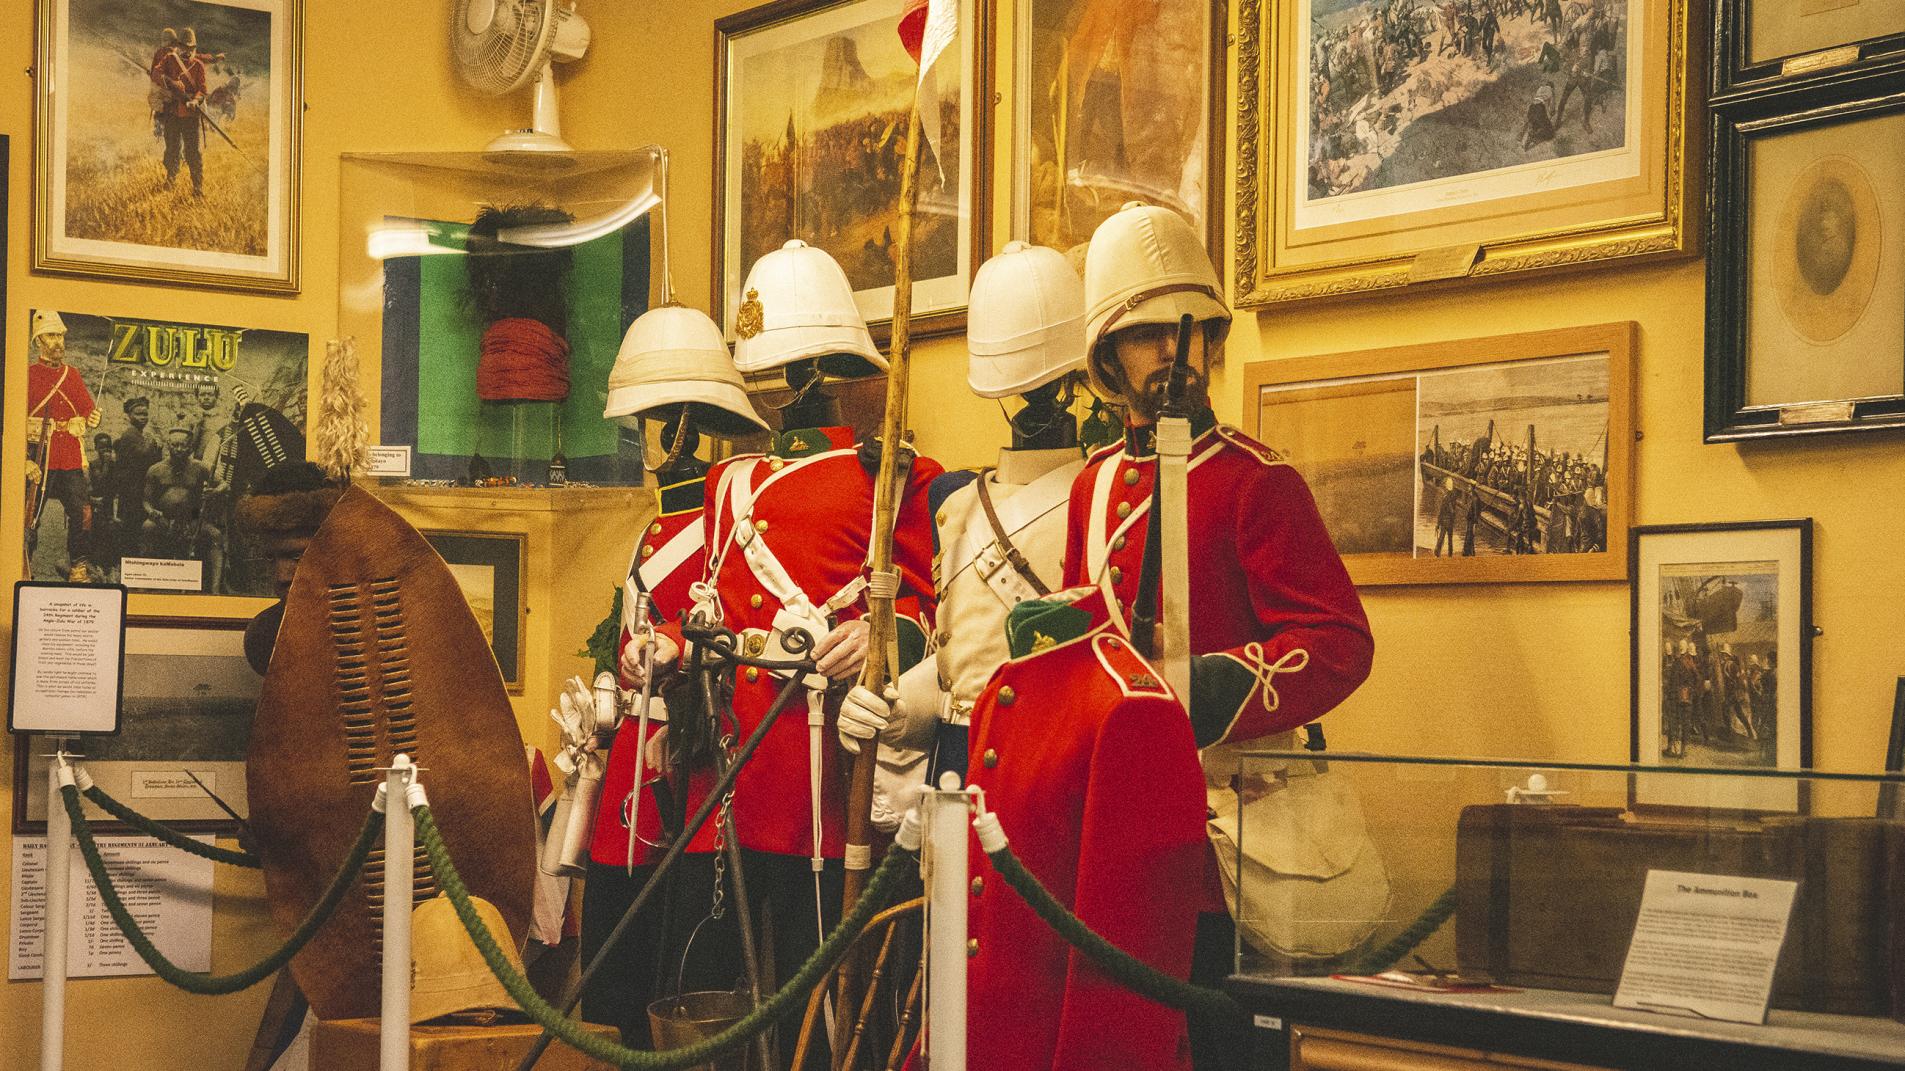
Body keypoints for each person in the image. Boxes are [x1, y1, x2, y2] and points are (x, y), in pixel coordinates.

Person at [1065, 201, 1374, 1071]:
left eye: (1191, 332)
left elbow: (1339, 638)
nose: (1174, 353)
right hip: (1121, 836)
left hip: (1230, 843)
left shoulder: (1255, 481)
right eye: (1149, 334)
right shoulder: (1090, 490)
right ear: (1106, 359)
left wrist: (1220, 683)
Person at [626, 240, 940, 1066]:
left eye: (802, 366)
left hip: (828, 758)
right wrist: (667, 642)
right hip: (740, 757)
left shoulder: (895, 476)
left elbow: (927, 603)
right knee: (734, 963)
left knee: (826, 960)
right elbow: (709, 596)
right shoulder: (732, 480)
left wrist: (881, 635)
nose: (793, 382)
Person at [581, 304, 768, 1046]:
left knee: (678, 955)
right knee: (620, 958)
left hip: (687, 757)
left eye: (669, 419)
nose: (661, 437)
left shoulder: (721, 524)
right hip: (637, 751)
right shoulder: (661, 521)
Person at [837, 241, 1090, 789]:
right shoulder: (956, 503)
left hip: (1052, 763)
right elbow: (961, 670)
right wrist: (899, 710)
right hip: (957, 765)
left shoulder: (1102, 494)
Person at [25, 311, 101, 578]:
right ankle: (22, 564)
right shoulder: (28, 375)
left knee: (83, 512)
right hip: (37, 455)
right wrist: (24, 460)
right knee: (29, 514)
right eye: (51, 336)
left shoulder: (72, 374)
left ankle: (78, 565)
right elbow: (12, 423)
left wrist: (93, 417)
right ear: (38, 342)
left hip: (68, 455)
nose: (58, 342)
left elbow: (87, 410)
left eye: (60, 335)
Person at [142, 427, 220, 570]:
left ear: (190, 448)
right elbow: (146, 501)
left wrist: (214, 491)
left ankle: (215, 589)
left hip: (193, 519)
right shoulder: (156, 469)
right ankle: (148, 578)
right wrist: (152, 511)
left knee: (216, 535)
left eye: (183, 445)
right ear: (168, 445)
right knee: (148, 527)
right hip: (164, 519)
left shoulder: (199, 467)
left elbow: (224, 484)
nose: (178, 449)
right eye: (175, 445)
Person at [152, 28, 208, 195]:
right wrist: (171, 82)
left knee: (193, 152)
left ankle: (197, 187)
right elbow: (156, 73)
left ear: (194, 48)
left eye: (191, 48)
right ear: (178, 46)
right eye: (184, 47)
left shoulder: (198, 66)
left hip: (191, 115)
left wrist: (195, 101)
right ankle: (170, 180)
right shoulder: (169, 59)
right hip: (172, 113)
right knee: (172, 149)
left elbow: (203, 90)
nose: (187, 51)